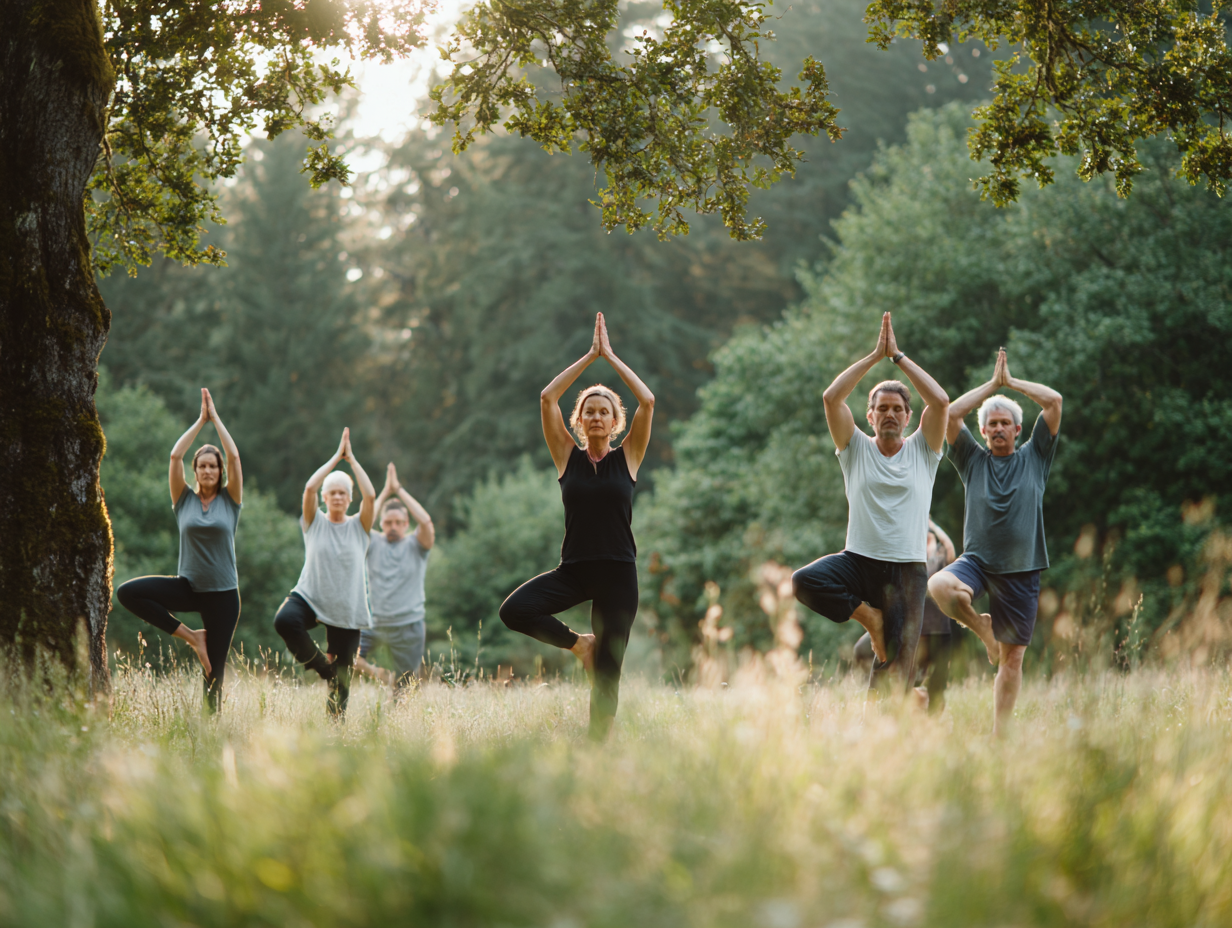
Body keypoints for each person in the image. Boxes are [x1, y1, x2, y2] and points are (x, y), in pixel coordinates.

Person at [498, 312, 654, 741]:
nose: (598, 417)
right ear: (580, 421)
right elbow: (548, 397)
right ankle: (578, 644)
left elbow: (648, 401)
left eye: (606, 411)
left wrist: (613, 358)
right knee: (515, 610)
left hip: (620, 574)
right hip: (576, 569)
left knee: (608, 674)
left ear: (615, 421)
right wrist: (590, 357)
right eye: (591, 411)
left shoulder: (629, 457)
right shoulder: (567, 456)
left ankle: (596, 749)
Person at [792, 312, 949, 695]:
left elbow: (942, 401)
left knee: (894, 673)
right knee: (804, 581)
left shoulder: (924, 451)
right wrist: (874, 355)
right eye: (882, 408)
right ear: (870, 415)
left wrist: (898, 358)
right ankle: (870, 619)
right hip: (859, 562)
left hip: (908, 574)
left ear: (909, 416)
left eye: (898, 409)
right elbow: (831, 398)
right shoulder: (855, 447)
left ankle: (881, 740)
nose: (891, 414)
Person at [928, 348, 1062, 736]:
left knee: (1012, 659)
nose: (999, 428)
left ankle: (999, 735)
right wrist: (990, 385)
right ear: (983, 432)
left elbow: (1054, 401)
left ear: (1018, 430)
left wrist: (1011, 383)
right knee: (939, 585)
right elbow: (951, 414)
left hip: (1022, 569)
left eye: (1006, 423)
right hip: (979, 562)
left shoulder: (1036, 455)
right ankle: (983, 629)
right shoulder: (972, 459)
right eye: (993, 424)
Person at [116, 388, 243, 712]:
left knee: (214, 672)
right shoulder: (183, 499)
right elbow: (174, 456)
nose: (207, 471)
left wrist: (216, 419)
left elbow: (235, 457)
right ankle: (192, 636)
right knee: (128, 593)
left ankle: (208, 733)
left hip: (224, 595)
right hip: (188, 587)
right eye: (201, 466)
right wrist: (200, 421)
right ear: (195, 470)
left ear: (220, 471)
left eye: (213, 466)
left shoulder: (230, 501)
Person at [273, 428, 376, 718]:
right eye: (333, 493)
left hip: (346, 608)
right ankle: (322, 668)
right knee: (285, 620)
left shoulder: (360, 527)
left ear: (349, 498)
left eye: (343, 493)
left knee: (342, 686)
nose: (338, 497)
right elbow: (308, 488)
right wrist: (335, 458)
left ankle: (335, 733)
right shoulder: (313, 522)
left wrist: (351, 460)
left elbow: (371, 495)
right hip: (311, 597)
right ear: (325, 498)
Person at [853, 519, 961, 711]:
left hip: (937, 630)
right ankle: (905, 700)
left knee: (937, 692)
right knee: (861, 650)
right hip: (907, 626)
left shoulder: (941, 555)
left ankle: (927, 718)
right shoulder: (908, 551)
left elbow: (950, 548)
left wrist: (932, 525)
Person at [354, 463, 434, 690]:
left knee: (405, 691)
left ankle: (397, 718)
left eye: (399, 522)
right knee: (347, 658)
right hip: (373, 623)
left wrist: (398, 490)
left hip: (409, 626)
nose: (393, 526)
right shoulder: (373, 541)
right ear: (381, 523)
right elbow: (361, 522)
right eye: (388, 522)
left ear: (407, 524)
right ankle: (381, 676)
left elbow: (426, 522)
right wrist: (385, 492)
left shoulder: (417, 545)